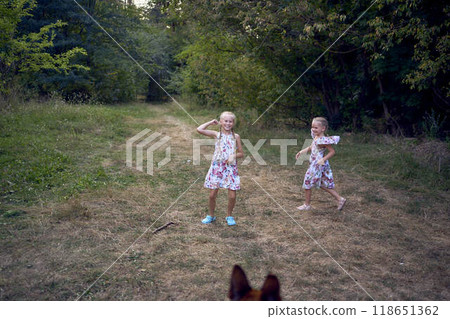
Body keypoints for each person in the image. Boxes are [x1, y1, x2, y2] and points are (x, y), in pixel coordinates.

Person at [197, 111, 244, 225]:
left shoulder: (235, 136)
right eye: (225, 121)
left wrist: (233, 155)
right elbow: (199, 129)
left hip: (230, 168)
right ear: (221, 122)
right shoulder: (216, 134)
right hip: (217, 168)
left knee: (232, 196)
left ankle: (229, 216)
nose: (228, 123)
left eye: (230, 121)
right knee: (212, 194)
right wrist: (210, 122)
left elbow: (241, 153)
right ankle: (211, 215)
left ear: (233, 123)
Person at [295, 117, 346, 211]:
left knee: (307, 182)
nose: (313, 129)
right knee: (322, 184)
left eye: (316, 127)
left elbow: (332, 152)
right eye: (312, 127)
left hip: (317, 165)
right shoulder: (316, 137)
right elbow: (312, 146)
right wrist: (301, 151)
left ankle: (307, 205)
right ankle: (340, 199)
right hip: (315, 164)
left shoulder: (323, 140)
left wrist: (323, 159)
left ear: (323, 128)